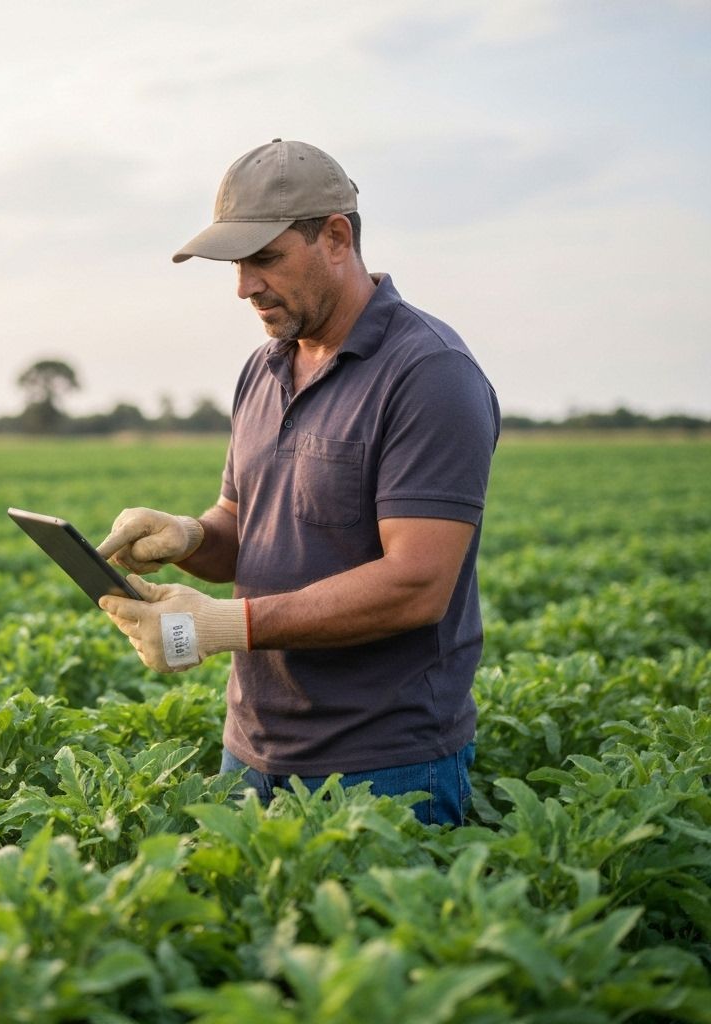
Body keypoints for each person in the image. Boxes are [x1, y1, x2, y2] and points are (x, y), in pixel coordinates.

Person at [97, 139, 500, 825]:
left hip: (385, 767)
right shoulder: (264, 368)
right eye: (236, 264)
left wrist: (219, 626)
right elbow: (240, 531)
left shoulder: (429, 373)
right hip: (250, 750)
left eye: (266, 259)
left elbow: (416, 585)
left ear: (336, 237)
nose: (244, 285)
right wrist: (188, 536)